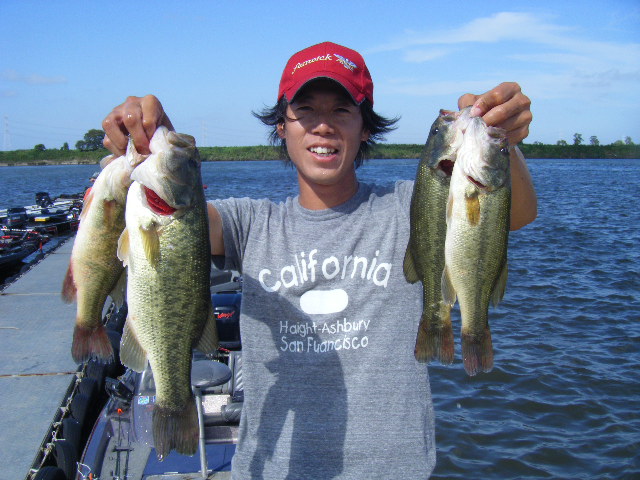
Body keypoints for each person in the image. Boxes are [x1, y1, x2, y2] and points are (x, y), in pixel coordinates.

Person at [103, 41, 536, 479]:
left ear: (365, 128)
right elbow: (177, 217)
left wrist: (502, 140)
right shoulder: (248, 223)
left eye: (342, 111)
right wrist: (151, 138)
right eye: (305, 110)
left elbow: (515, 214)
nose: (323, 126)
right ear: (281, 127)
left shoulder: (410, 207)